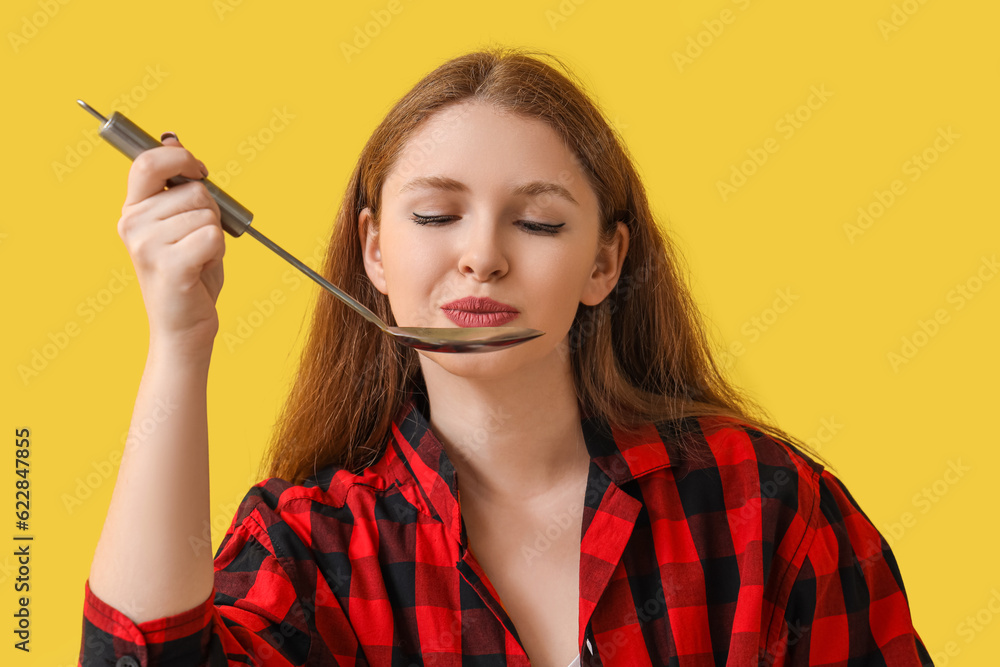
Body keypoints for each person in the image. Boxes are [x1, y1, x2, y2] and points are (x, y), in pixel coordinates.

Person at [77, 46, 933, 667]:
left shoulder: (765, 507)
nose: (482, 255)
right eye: (436, 215)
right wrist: (179, 346)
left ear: (604, 262)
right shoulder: (311, 549)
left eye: (539, 222)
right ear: (374, 251)